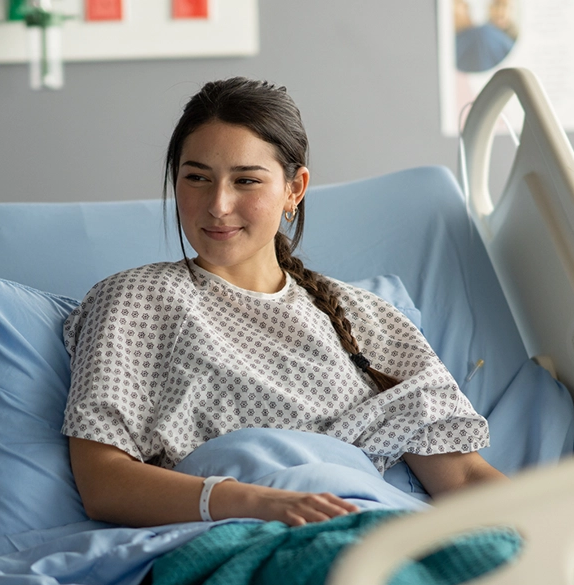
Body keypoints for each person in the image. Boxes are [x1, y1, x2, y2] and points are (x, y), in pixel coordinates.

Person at [63, 77, 507, 529]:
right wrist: (258, 503)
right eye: (196, 178)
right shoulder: (134, 301)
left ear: (294, 190)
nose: (217, 205)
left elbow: (465, 478)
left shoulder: (368, 318)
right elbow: (104, 484)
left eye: (246, 181)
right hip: (239, 538)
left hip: (378, 532)